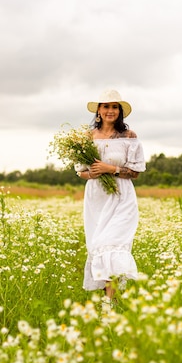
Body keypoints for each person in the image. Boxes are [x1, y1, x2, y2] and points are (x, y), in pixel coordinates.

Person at [76, 89, 146, 308]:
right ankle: (111, 299)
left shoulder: (129, 136)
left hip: (122, 196)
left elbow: (135, 172)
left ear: (120, 111)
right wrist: (93, 174)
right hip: (97, 197)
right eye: (106, 106)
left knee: (112, 244)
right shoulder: (87, 137)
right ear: (98, 110)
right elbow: (80, 171)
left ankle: (109, 303)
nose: (110, 111)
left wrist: (111, 168)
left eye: (115, 107)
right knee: (98, 245)